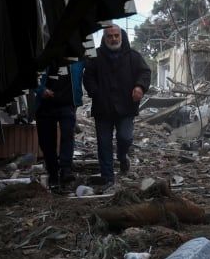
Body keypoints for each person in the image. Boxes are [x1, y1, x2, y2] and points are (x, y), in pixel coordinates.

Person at [83, 24, 151, 186]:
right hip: (103, 108)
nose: (113, 39)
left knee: (125, 137)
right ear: (104, 38)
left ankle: (122, 156)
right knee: (104, 143)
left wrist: (139, 87)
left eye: (116, 36)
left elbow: (145, 72)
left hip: (126, 107)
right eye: (110, 36)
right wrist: (96, 92)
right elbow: (88, 77)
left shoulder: (133, 56)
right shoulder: (95, 57)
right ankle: (107, 177)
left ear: (121, 36)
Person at [35, 60, 85, 187]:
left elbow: (95, 66)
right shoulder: (44, 54)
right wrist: (41, 90)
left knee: (67, 135)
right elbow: (29, 74)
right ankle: (53, 172)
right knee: (47, 141)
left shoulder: (78, 58)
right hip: (45, 105)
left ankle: (66, 170)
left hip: (67, 103)